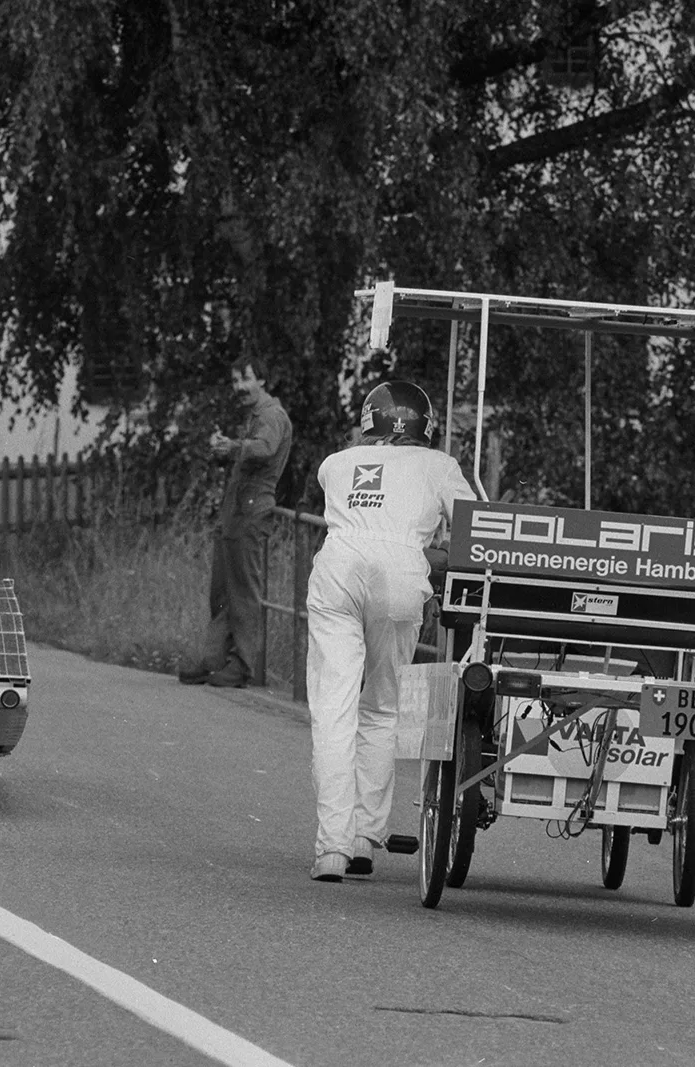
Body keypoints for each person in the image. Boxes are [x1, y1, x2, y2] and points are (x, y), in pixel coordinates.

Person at [304, 379, 474, 882]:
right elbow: (475, 530)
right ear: (425, 427)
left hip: (338, 568)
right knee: (381, 707)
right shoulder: (440, 467)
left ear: (367, 422)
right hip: (402, 575)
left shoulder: (335, 464)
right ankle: (364, 838)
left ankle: (330, 848)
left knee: (333, 709)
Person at [178, 356, 293, 688]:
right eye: (234, 380)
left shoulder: (271, 415)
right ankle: (214, 659)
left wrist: (232, 447)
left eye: (245, 378)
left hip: (252, 510)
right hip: (237, 510)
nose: (239, 386)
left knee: (242, 591)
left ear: (263, 381)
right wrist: (228, 449)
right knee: (223, 590)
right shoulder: (257, 416)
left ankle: (242, 666)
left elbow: (265, 449)